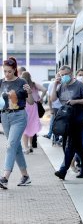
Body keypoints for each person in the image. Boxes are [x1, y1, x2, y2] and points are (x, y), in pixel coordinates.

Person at [51, 65, 83, 180]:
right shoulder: (61, 86)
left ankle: (62, 170)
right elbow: (53, 99)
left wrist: (75, 101)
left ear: (71, 74)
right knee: (76, 145)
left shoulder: (79, 85)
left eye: (65, 74)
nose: (63, 76)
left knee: (69, 145)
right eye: (61, 74)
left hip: (78, 119)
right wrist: (55, 84)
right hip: (66, 120)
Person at [0, 57, 34, 189]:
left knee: (10, 145)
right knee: (16, 146)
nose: (7, 74)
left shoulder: (22, 82)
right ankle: (25, 176)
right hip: (5, 117)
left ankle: (4, 178)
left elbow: (30, 102)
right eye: (4, 71)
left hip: (19, 116)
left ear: (15, 70)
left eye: (9, 71)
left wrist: (30, 92)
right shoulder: (1, 82)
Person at [21, 71, 47, 153]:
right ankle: (31, 145)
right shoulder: (34, 84)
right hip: (33, 106)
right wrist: (41, 98)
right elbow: (44, 89)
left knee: (24, 128)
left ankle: (25, 148)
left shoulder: (22, 85)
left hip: (25, 107)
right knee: (31, 126)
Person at [43, 79, 62, 145]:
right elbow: (49, 97)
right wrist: (51, 109)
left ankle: (58, 138)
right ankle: (54, 137)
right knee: (55, 123)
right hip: (55, 107)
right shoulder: (52, 84)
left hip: (64, 107)